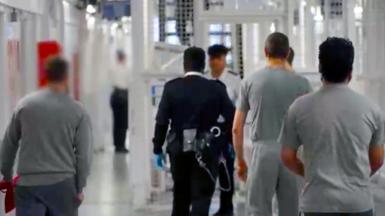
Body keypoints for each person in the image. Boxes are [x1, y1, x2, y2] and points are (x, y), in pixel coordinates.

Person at [280, 37, 385, 216]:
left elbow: (287, 157)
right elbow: (377, 160)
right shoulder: (371, 109)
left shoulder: (299, 108)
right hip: (358, 204)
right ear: (350, 72)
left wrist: (312, 175)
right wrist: (355, 179)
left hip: (316, 203)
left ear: (320, 69)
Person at [1, 56, 93, 216]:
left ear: (46, 75)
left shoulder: (25, 106)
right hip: (63, 186)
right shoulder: (78, 111)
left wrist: (7, 176)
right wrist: (79, 187)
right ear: (66, 77)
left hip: (28, 185)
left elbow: (8, 145)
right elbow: (84, 155)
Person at [232, 32, 312, 216]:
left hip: (262, 154)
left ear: (265, 52)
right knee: (292, 210)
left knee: (258, 210)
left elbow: (236, 128)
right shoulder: (303, 84)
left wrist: (241, 161)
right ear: (287, 53)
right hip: (293, 155)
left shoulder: (250, 81)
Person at [152, 47, 235, 216]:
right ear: (204, 65)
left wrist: (157, 148)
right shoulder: (216, 88)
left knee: (180, 196)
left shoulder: (171, 88)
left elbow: (161, 121)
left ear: (184, 65)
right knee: (202, 197)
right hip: (207, 150)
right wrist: (226, 142)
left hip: (178, 151)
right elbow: (231, 118)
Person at [206, 44, 241, 216]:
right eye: (212, 59)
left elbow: (240, 106)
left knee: (226, 169)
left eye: (218, 59)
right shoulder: (205, 79)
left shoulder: (234, 79)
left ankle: (226, 207)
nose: (214, 62)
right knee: (207, 169)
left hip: (226, 131)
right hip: (208, 132)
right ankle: (203, 206)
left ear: (224, 60)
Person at [110, 50, 130, 153]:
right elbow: (129, 83)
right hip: (123, 96)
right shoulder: (126, 69)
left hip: (115, 95)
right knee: (123, 123)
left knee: (117, 122)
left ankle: (117, 145)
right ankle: (121, 145)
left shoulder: (113, 68)